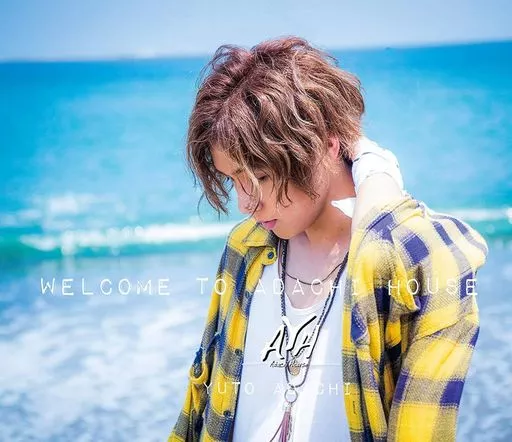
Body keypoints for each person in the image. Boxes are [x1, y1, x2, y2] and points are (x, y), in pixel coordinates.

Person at [167, 36, 488, 442]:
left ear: (328, 144)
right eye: (233, 179)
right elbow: (199, 406)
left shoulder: (412, 265)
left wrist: (376, 175)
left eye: (260, 176)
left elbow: (423, 429)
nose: (245, 203)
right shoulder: (246, 248)